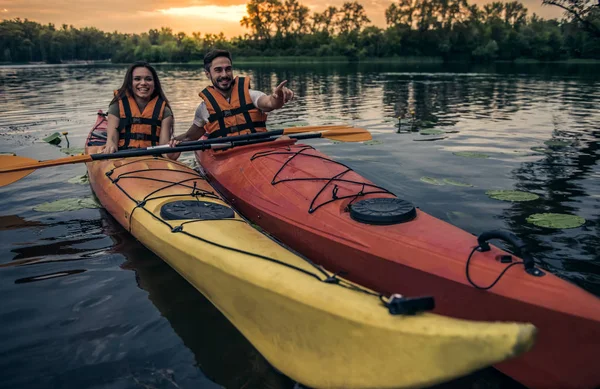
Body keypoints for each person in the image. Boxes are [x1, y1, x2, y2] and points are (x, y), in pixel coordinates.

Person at [174, 49, 294, 142]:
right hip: (228, 157)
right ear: (207, 74)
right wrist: (173, 142)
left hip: (258, 149)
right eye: (218, 70)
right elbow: (190, 137)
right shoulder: (203, 109)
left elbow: (270, 103)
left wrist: (278, 98)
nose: (225, 74)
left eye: (228, 69)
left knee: (285, 139)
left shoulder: (251, 95)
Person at [102, 61, 179, 160]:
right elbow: (112, 140)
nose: (143, 83)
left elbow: (163, 148)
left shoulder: (165, 111)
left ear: (154, 84)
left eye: (148, 79)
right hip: (123, 158)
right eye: (137, 79)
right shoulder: (116, 106)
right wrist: (110, 147)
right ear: (130, 83)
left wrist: (173, 152)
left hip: (152, 160)